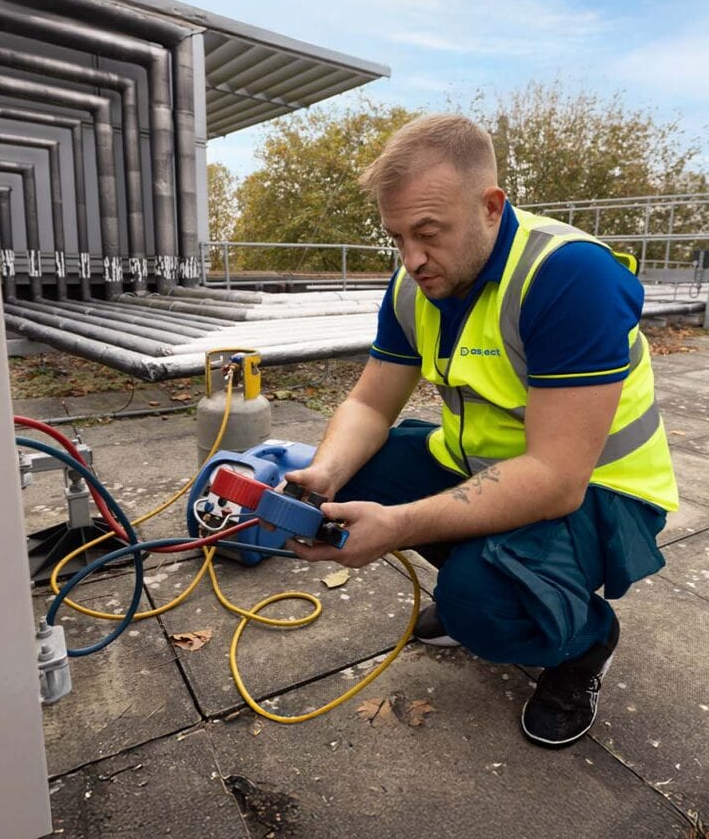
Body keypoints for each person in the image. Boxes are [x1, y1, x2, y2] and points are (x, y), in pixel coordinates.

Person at [284, 113, 678, 748]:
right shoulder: (415, 283)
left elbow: (554, 480)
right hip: (493, 469)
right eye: (396, 238)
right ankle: (499, 573)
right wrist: (324, 473)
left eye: (428, 233)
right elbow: (370, 404)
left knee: (480, 605)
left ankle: (584, 640)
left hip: (601, 491)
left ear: (492, 206)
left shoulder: (570, 276)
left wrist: (399, 527)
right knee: (353, 475)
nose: (411, 259)